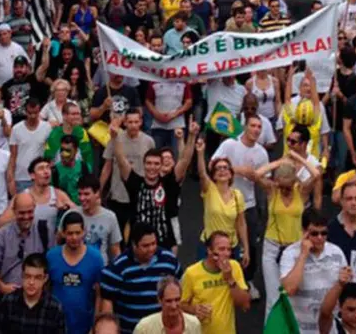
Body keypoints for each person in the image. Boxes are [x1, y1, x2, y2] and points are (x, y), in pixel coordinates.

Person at [110, 119, 198, 252]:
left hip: (164, 245)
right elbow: (121, 159)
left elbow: (185, 160)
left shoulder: (169, 183)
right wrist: (115, 137)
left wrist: (191, 136)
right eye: (149, 163)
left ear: (161, 165)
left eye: (156, 164)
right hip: (138, 246)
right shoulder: (135, 182)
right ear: (144, 165)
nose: (152, 167)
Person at [253, 153, 320, 317]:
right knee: (273, 297)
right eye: (281, 186)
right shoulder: (272, 191)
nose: (284, 190)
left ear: (294, 182)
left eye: (287, 187)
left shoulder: (301, 191)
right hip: (272, 247)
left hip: (294, 248)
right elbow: (256, 174)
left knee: (293, 296)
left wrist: (298, 158)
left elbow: (316, 174)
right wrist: (279, 162)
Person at [211, 115, 271, 297]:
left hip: (248, 202)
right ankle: (219, 278)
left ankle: (248, 280)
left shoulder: (262, 153)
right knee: (222, 243)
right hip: (224, 200)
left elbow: (266, 183)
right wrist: (237, 170)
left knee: (250, 244)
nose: (256, 129)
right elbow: (212, 164)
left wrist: (257, 178)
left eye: (259, 127)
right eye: (253, 125)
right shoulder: (230, 145)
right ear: (245, 127)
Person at [100, 222, 181, 333]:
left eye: (153, 243)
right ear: (134, 245)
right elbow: (107, 304)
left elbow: (182, 292)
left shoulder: (169, 261)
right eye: (145, 246)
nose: (151, 249)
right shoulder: (118, 267)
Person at [280, 207, 348, 334]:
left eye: (324, 233)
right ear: (304, 232)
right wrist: (303, 254)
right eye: (314, 233)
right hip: (297, 328)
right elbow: (289, 289)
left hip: (328, 329)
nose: (320, 238)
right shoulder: (290, 254)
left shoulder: (337, 253)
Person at [180, 231, 251, 334]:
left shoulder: (234, 267)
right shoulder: (192, 273)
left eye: (229, 249)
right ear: (209, 250)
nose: (226, 253)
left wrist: (230, 279)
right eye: (221, 249)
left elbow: (245, 304)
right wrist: (194, 310)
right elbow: (180, 305)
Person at [100, 108, 155, 236]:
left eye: (136, 122)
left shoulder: (149, 141)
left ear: (141, 122)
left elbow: (154, 169)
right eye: (130, 122)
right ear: (124, 123)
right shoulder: (114, 139)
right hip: (118, 195)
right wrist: (100, 189)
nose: (133, 125)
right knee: (117, 235)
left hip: (140, 196)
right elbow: (107, 167)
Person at [46, 211, 104, 334]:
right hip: (55, 325)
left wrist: (95, 326)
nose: (74, 237)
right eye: (70, 233)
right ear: (63, 233)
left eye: (78, 233)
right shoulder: (51, 256)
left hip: (84, 325)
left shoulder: (95, 258)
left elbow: (100, 295)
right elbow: (46, 289)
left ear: (84, 232)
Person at [195, 139, 248, 265]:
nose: (222, 170)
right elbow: (202, 174)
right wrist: (200, 153)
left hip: (230, 247)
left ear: (231, 174)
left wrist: (246, 248)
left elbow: (241, 223)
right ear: (213, 175)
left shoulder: (237, 195)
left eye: (225, 168)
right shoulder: (209, 190)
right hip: (209, 246)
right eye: (218, 168)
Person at [0, 253, 67, 334]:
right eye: (27, 276)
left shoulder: (55, 307)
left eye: (37, 277)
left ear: (45, 278)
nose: (31, 282)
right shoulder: (7, 302)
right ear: (22, 275)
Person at [0, 193, 47, 295]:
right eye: (22, 213)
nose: (26, 217)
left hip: (36, 295)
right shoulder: (1, 236)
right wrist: (2, 287)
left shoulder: (44, 231)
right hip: (9, 295)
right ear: (14, 211)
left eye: (30, 212)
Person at [59, 175, 122, 263]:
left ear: (97, 193)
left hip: (100, 269)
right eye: (80, 194)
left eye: (86, 194)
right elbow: (58, 241)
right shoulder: (70, 214)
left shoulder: (110, 217)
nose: (82, 198)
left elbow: (115, 249)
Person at [8, 98, 53, 194]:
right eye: (30, 113)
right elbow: (13, 156)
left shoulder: (47, 127)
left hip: (40, 176)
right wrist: (11, 180)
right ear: (25, 112)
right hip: (21, 178)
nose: (33, 116)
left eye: (35, 113)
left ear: (39, 111)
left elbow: (50, 152)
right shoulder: (16, 129)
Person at [134, 276, 202, 334]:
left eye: (177, 300)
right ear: (159, 301)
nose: (174, 306)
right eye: (168, 301)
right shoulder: (144, 328)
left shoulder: (194, 324)